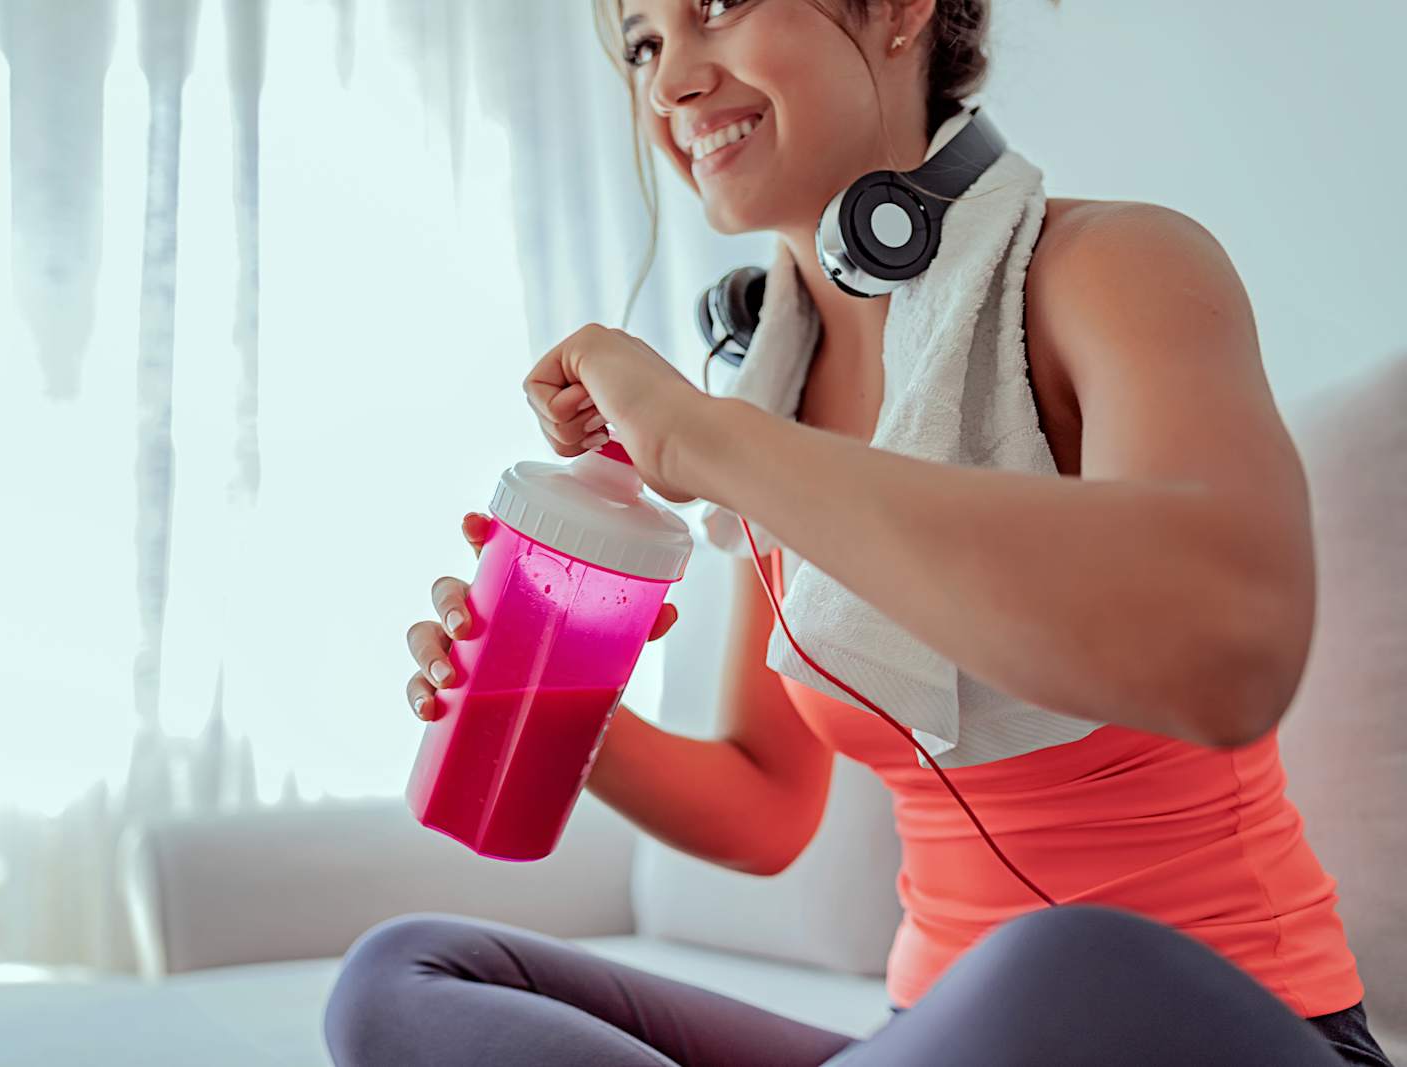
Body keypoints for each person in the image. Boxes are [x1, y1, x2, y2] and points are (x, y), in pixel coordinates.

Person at [327, 1, 1393, 1063]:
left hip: (1199, 1026)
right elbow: (765, 804)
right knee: (405, 973)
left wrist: (707, 439)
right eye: (645, 43)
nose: (669, 84)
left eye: (715, 8)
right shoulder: (773, 391)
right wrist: (539, 694)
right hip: (929, 1039)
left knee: (1058, 957)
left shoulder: (1114, 265)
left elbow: (1229, 648)